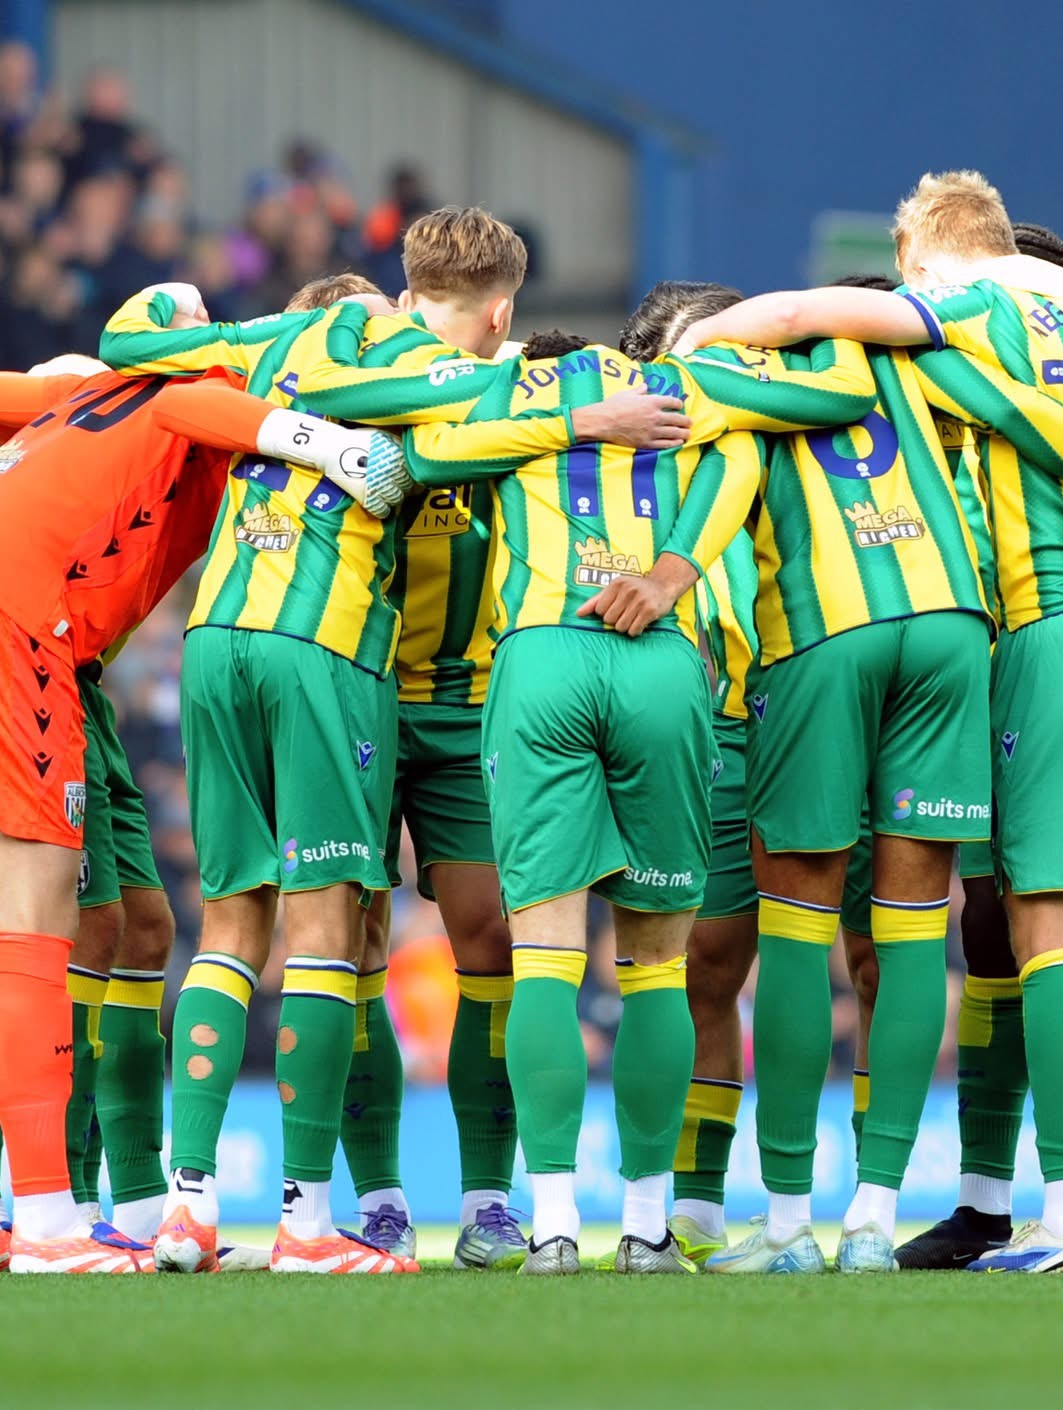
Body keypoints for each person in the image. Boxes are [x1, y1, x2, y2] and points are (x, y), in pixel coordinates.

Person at [92, 209, 686, 1275]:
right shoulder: (423, 372)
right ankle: (369, 1201)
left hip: (454, 706)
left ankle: (488, 1198)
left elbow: (154, 354)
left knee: (488, 938)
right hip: (346, 677)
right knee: (344, 939)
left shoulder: (462, 374)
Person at [673, 169, 1063, 1273]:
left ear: (916, 256)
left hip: (1050, 633)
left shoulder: (948, 319)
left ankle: (1032, 1223)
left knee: (1040, 932)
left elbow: (791, 319)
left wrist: (694, 344)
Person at [0, 338, 402, 1274]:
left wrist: (86, 379)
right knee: (39, 923)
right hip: (12, 613)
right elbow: (183, 405)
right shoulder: (194, 401)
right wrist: (325, 443)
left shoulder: (89, 409)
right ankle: (46, 1226)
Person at [367, 322, 881, 1275]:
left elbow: (425, 451)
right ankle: (648, 1228)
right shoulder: (684, 387)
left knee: (548, 956)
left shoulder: (510, 395)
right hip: (661, 657)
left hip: (542, 654)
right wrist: (670, 573)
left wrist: (560, 422)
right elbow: (785, 432)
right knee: (655, 965)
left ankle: (554, 1225)